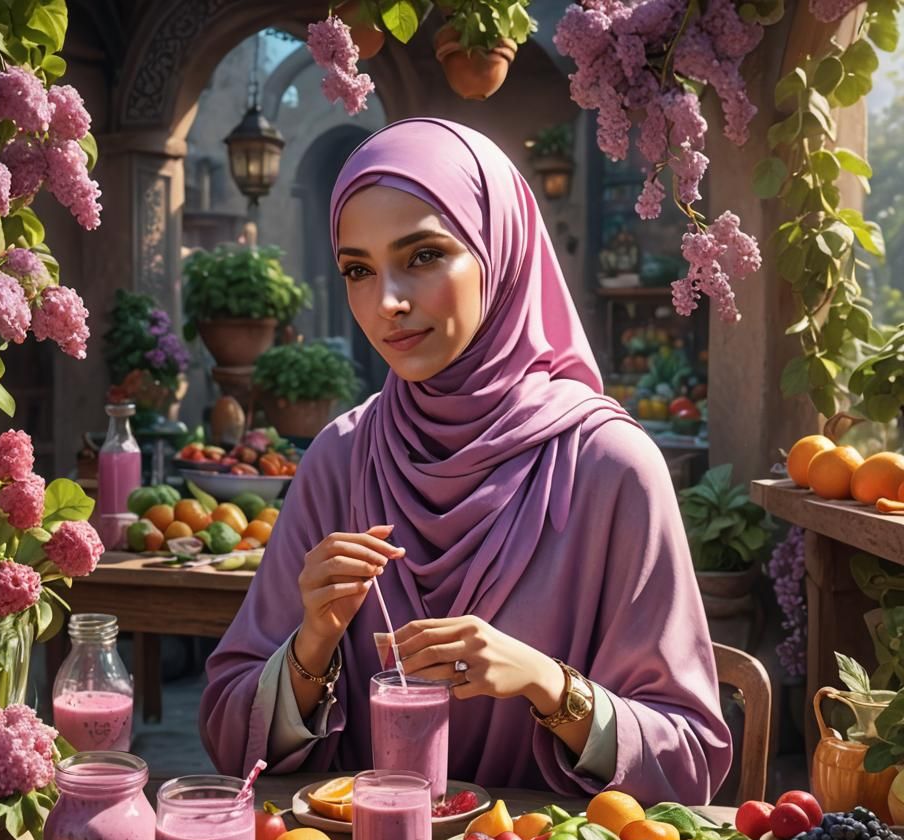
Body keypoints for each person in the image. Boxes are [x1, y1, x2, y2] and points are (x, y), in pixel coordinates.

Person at [199, 118, 731, 804]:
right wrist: (311, 646)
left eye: (422, 255)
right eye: (358, 269)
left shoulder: (609, 466)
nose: (387, 301)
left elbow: (687, 762)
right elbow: (225, 734)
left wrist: (547, 684)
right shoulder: (341, 458)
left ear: (499, 253)